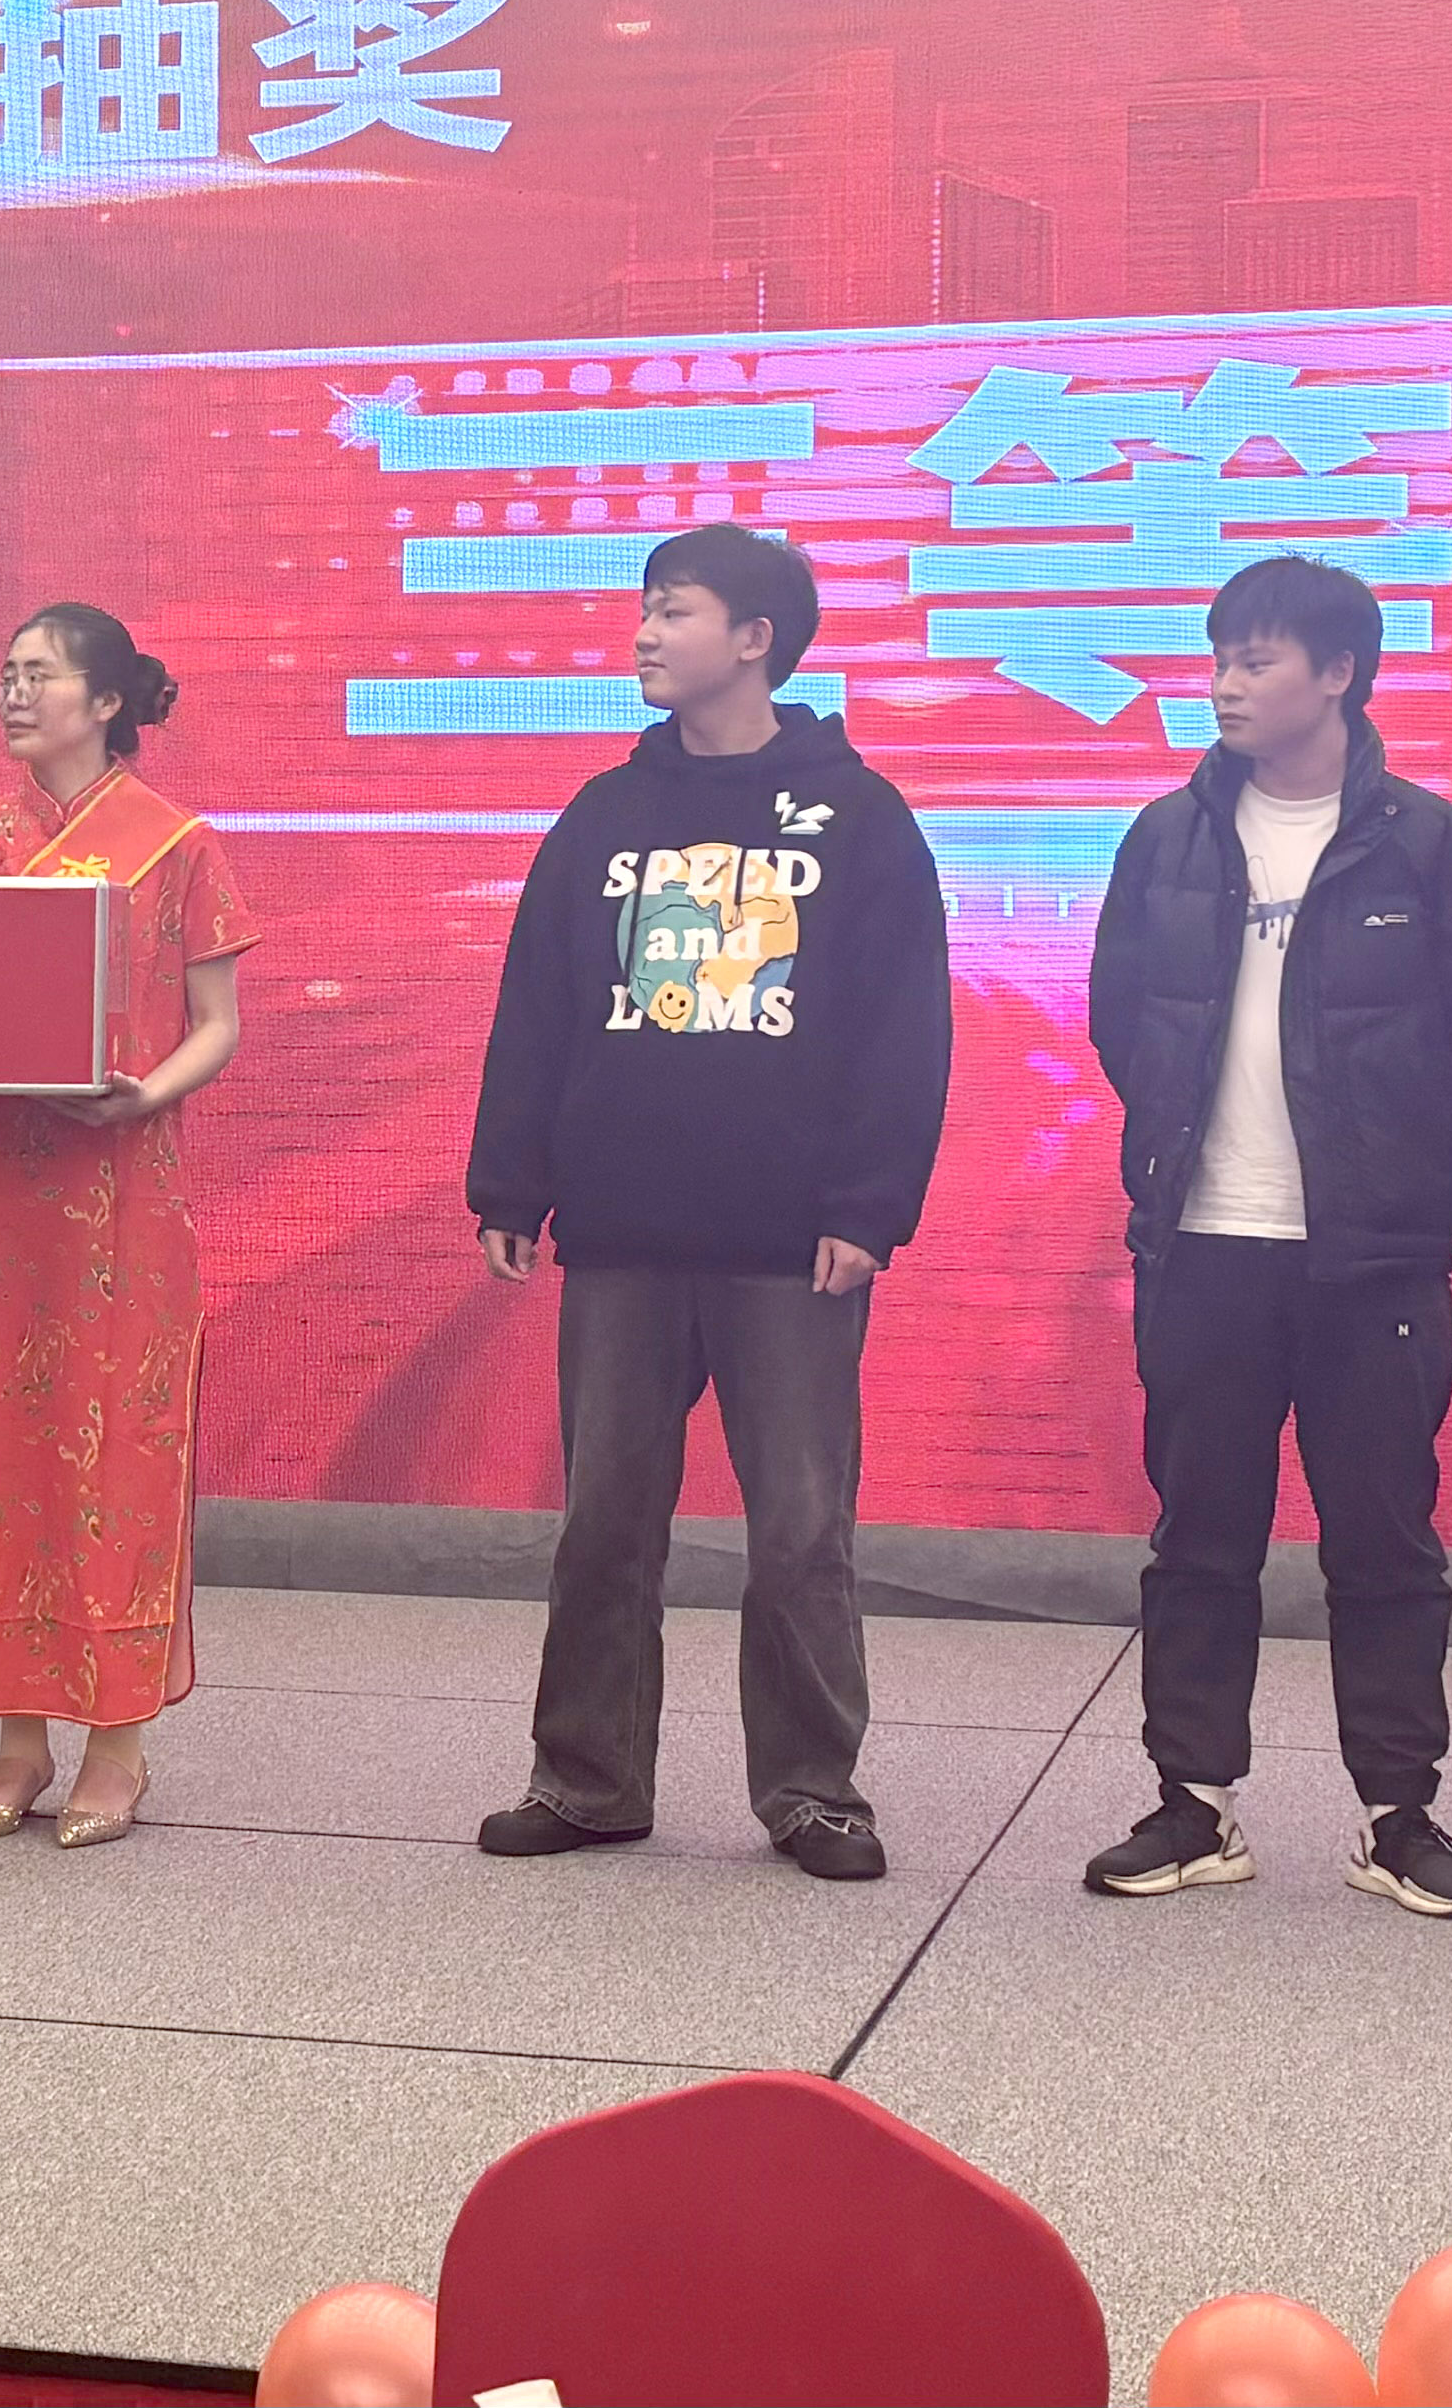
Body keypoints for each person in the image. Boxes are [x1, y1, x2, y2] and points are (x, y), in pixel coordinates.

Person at [468, 529, 950, 1885]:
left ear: (755, 638)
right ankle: (588, 1778)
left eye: (671, 610)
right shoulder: (604, 815)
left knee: (799, 1528)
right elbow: (539, 1003)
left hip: (791, 1243)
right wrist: (512, 1180)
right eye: (643, 608)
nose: (642, 632)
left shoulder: (859, 817)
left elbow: (903, 1029)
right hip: (622, 1232)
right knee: (604, 1523)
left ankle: (811, 1789)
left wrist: (870, 1204)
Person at [1074, 554, 1452, 1921]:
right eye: (1218, 656)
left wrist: (1399, 1174)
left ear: (1338, 673)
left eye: (1257, 659)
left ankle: (1399, 1817)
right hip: (1204, 1243)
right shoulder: (1166, 840)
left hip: (1372, 1261)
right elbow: (1121, 1021)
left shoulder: (1430, 847)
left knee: (1384, 1542)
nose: (1225, 683)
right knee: (1199, 1537)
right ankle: (1192, 1804)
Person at [0, 604, 257, 1850]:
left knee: (115, 1451)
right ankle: (16, 1740)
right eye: (2, 676)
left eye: (38, 675)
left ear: (106, 700)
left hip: (119, 1192)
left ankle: (118, 1746)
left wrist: (143, 1095)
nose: (13, 694)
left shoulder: (177, 845)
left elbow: (218, 1023)